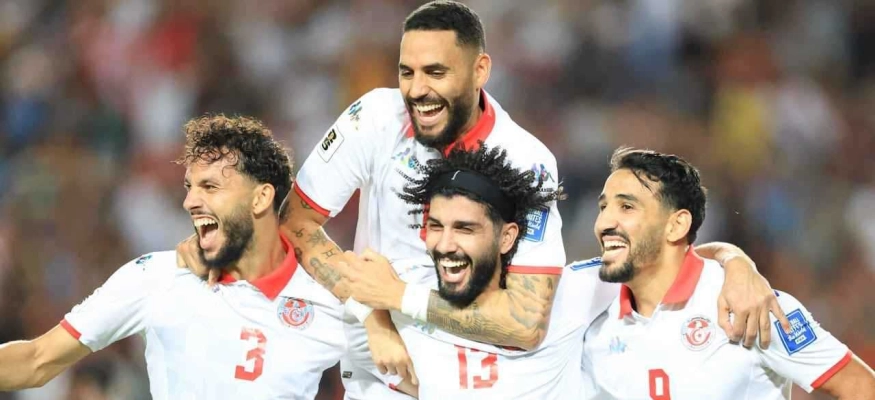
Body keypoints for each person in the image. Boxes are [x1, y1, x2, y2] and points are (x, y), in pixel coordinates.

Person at [179, 1, 786, 399]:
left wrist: (735, 261)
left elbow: (526, 322)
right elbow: (294, 220)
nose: (417, 90)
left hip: (474, 370)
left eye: (436, 73)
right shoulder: (374, 118)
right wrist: (372, 313)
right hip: (382, 370)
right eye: (407, 72)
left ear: (480, 70)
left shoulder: (525, 160)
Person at [0, 115, 345, 399]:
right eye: (189, 187)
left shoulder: (328, 303)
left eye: (210, 187)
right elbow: (37, 360)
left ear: (260, 198)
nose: (189, 202)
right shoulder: (156, 277)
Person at [581, 148, 875, 399]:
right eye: (603, 207)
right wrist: (731, 255)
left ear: (677, 225)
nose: (603, 222)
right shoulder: (588, 313)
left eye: (627, 207)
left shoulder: (749, 305)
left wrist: (734, 259)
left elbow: (860, 387)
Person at [340, 144, 617, 399]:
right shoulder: (400, 291)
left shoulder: (566, 296)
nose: (445, 245)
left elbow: (641, 266)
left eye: (465, 229)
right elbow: (345, 278)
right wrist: (377, 324)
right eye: (436, 226)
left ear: (506, 237)